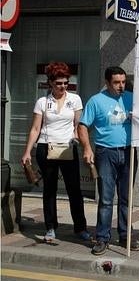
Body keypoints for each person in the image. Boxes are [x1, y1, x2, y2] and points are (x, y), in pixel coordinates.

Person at [20, 62, 91, 243]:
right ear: (50, 82)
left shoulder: (75, 99)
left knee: (74, 189)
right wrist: (27, 151)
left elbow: (78, 125)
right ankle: (50, 228)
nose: (63, 86)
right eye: (59, 83)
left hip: (67, 148)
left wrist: (77, 140)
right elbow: (35, 128)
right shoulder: (42, 102)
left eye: (66, 82)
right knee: (49, 190)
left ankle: (80, 228)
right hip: (46, 147)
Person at [78, 66, 139, 256]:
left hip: (129, 151)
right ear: (107, 83)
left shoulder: (132, 98)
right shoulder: (96, 101)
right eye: (116, 82)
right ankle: (102, 237)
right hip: (106, 153)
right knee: (106, 198)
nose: (121, 86)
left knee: (126, 197)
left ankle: (125, 235)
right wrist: (88, 148)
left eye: (123, 82)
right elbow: (82, 127)